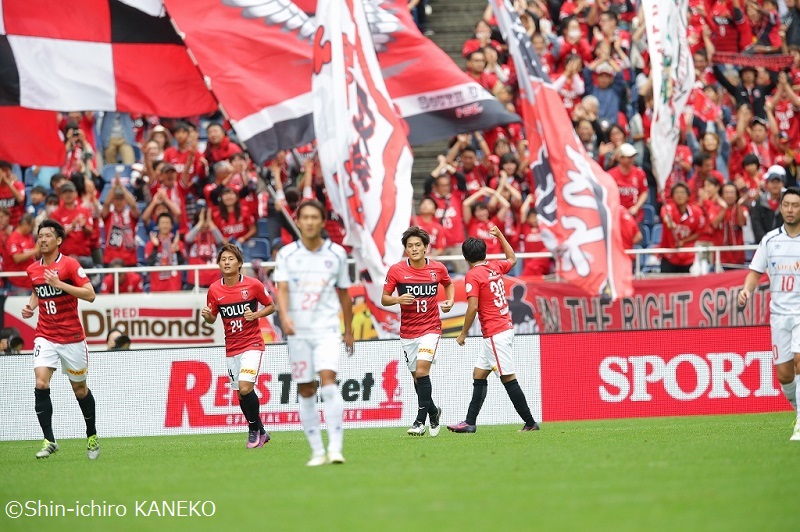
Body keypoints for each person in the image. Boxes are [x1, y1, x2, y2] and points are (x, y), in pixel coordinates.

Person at [273, 200, 354, 466]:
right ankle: (317, 451)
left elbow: (344, 294)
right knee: (306, 389)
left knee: (328, 380)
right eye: (304, 217)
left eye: (314, 217)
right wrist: (284, 317)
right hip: (298, 332)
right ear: (298, 221)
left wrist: (349, 330)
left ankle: (336, 449)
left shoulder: (337, 254)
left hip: (327, 329)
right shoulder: (286, 255)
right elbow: (281, 289)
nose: (309, 222)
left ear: (321, 221)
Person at [448, 226, 540, 433]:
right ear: (485, 253)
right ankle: (469, 423)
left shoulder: (473, 275)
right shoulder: (494, 266)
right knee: (479, 374)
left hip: (495, 333)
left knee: (508, 377)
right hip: (503, 327)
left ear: (465, 257)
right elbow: (513, 259)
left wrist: (462, 333)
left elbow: (472, 306)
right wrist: (500, 236)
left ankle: (530, 422)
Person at [21, 219, 99, 459]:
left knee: (80, 390)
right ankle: (49, 440)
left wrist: (60, 285)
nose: (42, 239)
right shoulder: (33, 269)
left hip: (72, 338)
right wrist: (32, 306)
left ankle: (92, 435)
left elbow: (90, 294)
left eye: (47, 236)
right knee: (41, 383)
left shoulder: (69, 265)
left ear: (58, 240)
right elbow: (37, 289)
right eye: (40, 236)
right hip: (45, 335)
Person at [738, 187, 800, 441]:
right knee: (784, 374)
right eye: (787, 205)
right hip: (779, 315)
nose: (790, 209)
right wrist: (746, 290)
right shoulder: (770, 240)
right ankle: (799, 413)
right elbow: (755, 271)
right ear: (781, 207)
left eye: (795, 205)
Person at [381, 227, 455, 437]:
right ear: (405, 249)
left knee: (422, 372)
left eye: (417, 245)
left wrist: (449, 300)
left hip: (431, 329)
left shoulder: (437, 268)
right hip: (408, 332)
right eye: (410, 246)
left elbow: (448, 285)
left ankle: (419, 422)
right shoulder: (396, 270)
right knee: (417, 379)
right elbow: (384, 299)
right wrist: (397, 299)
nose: (414, 249)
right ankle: (433, 411)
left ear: (425, 247)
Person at [202, 243, 276, 448]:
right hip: (231, 347)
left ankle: (253, 430)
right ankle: (261, 430)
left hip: (252, 343)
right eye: (223, 259)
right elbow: (212, 318)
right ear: (218, 263)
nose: (226, 262)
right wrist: (208, 316)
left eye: (230, 259)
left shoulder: (253, 285)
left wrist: (256, 315)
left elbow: (271, 306)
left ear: (240, 263)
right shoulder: (214, 289)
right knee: (240, 393)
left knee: (245, 387)